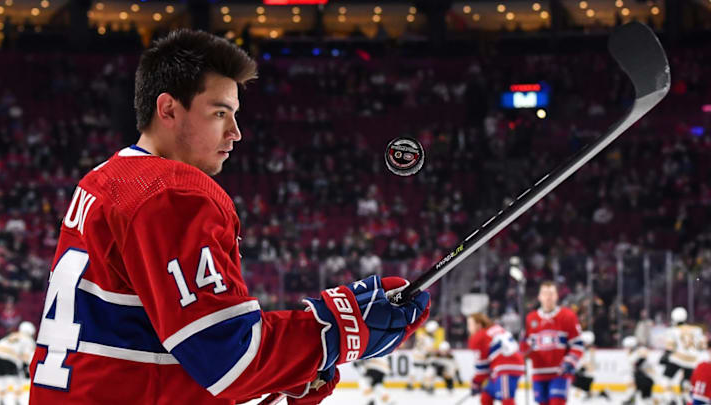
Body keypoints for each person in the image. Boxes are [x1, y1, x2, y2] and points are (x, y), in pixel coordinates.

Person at [28, 29, 430, 405]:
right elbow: (225, 357)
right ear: (168, 108)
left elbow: (150, 335)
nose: (236, 132)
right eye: (220, 113)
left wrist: (292, 366)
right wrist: (335, 329)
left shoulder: (103, 179)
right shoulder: (173, 192)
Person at [522, 280, 584, 405]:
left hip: (560, 372)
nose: (548, 297)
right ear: (539, 296)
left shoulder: (568, 316)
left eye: (551, 294)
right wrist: (523, 352)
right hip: (539, 373)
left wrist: (569, 362)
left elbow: (577, 344)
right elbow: (526, 344)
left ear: (557, 296)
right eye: (545, 294)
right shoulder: (531, 318)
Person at [467, 313, 524, 405]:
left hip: (505, 367)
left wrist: (476, 382)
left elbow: (482, 368)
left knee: (507, 399)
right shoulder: (496, 328)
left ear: (479, 325)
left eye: (470, 324)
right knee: (486, 395)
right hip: (508, 365)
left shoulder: (478, 337)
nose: (468, 328)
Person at [660, 307, 707, 405]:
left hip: (678, 358)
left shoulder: (673, 330)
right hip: (693, 361)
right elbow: (702, 346)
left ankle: (670, 400)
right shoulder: (696, 329)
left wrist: (665, 356)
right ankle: (687, 399)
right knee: (686, 382)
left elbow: (670, 347)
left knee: (665, 379)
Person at [0, 321, 36, 405]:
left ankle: (1, 400)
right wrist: (26, 368)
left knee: (2, 379)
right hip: (10, 357)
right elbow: (26, 357)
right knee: (17, 380)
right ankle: (17, 401)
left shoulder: (14, 334)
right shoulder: (28, 340)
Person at [570, 331, 610, 401]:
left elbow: (589, 364)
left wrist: (582, 369)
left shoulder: (590, 351)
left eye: (584, 342)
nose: (583, 343)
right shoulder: (586, 350)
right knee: (586, 390)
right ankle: (600, 393)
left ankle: (600, 393)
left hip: (587, 375)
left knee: (577, 385)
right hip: (586, 375)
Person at [621, 336, 654, 405]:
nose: (627, 348)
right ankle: (631, 400)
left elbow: (641, 360)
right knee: (634, 391)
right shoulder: (629, 353)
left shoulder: (641, 350)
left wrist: (635, 366)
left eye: (628, 346)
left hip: (646, 376)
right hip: (639, 376)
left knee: (646, 397)